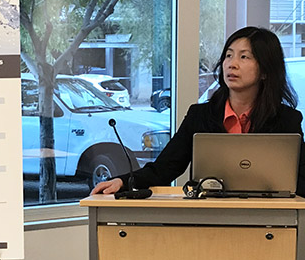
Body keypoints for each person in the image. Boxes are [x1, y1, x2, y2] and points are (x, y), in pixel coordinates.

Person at [91, 26, 305, 196]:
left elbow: (300, 179)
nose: (231, 64)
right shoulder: (200, 116)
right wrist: (123, 181)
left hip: (270, 222)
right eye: (228, 56)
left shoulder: (286, 121)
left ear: (266, 71)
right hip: (209, 218)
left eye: (244, 57)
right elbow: (165, 168)